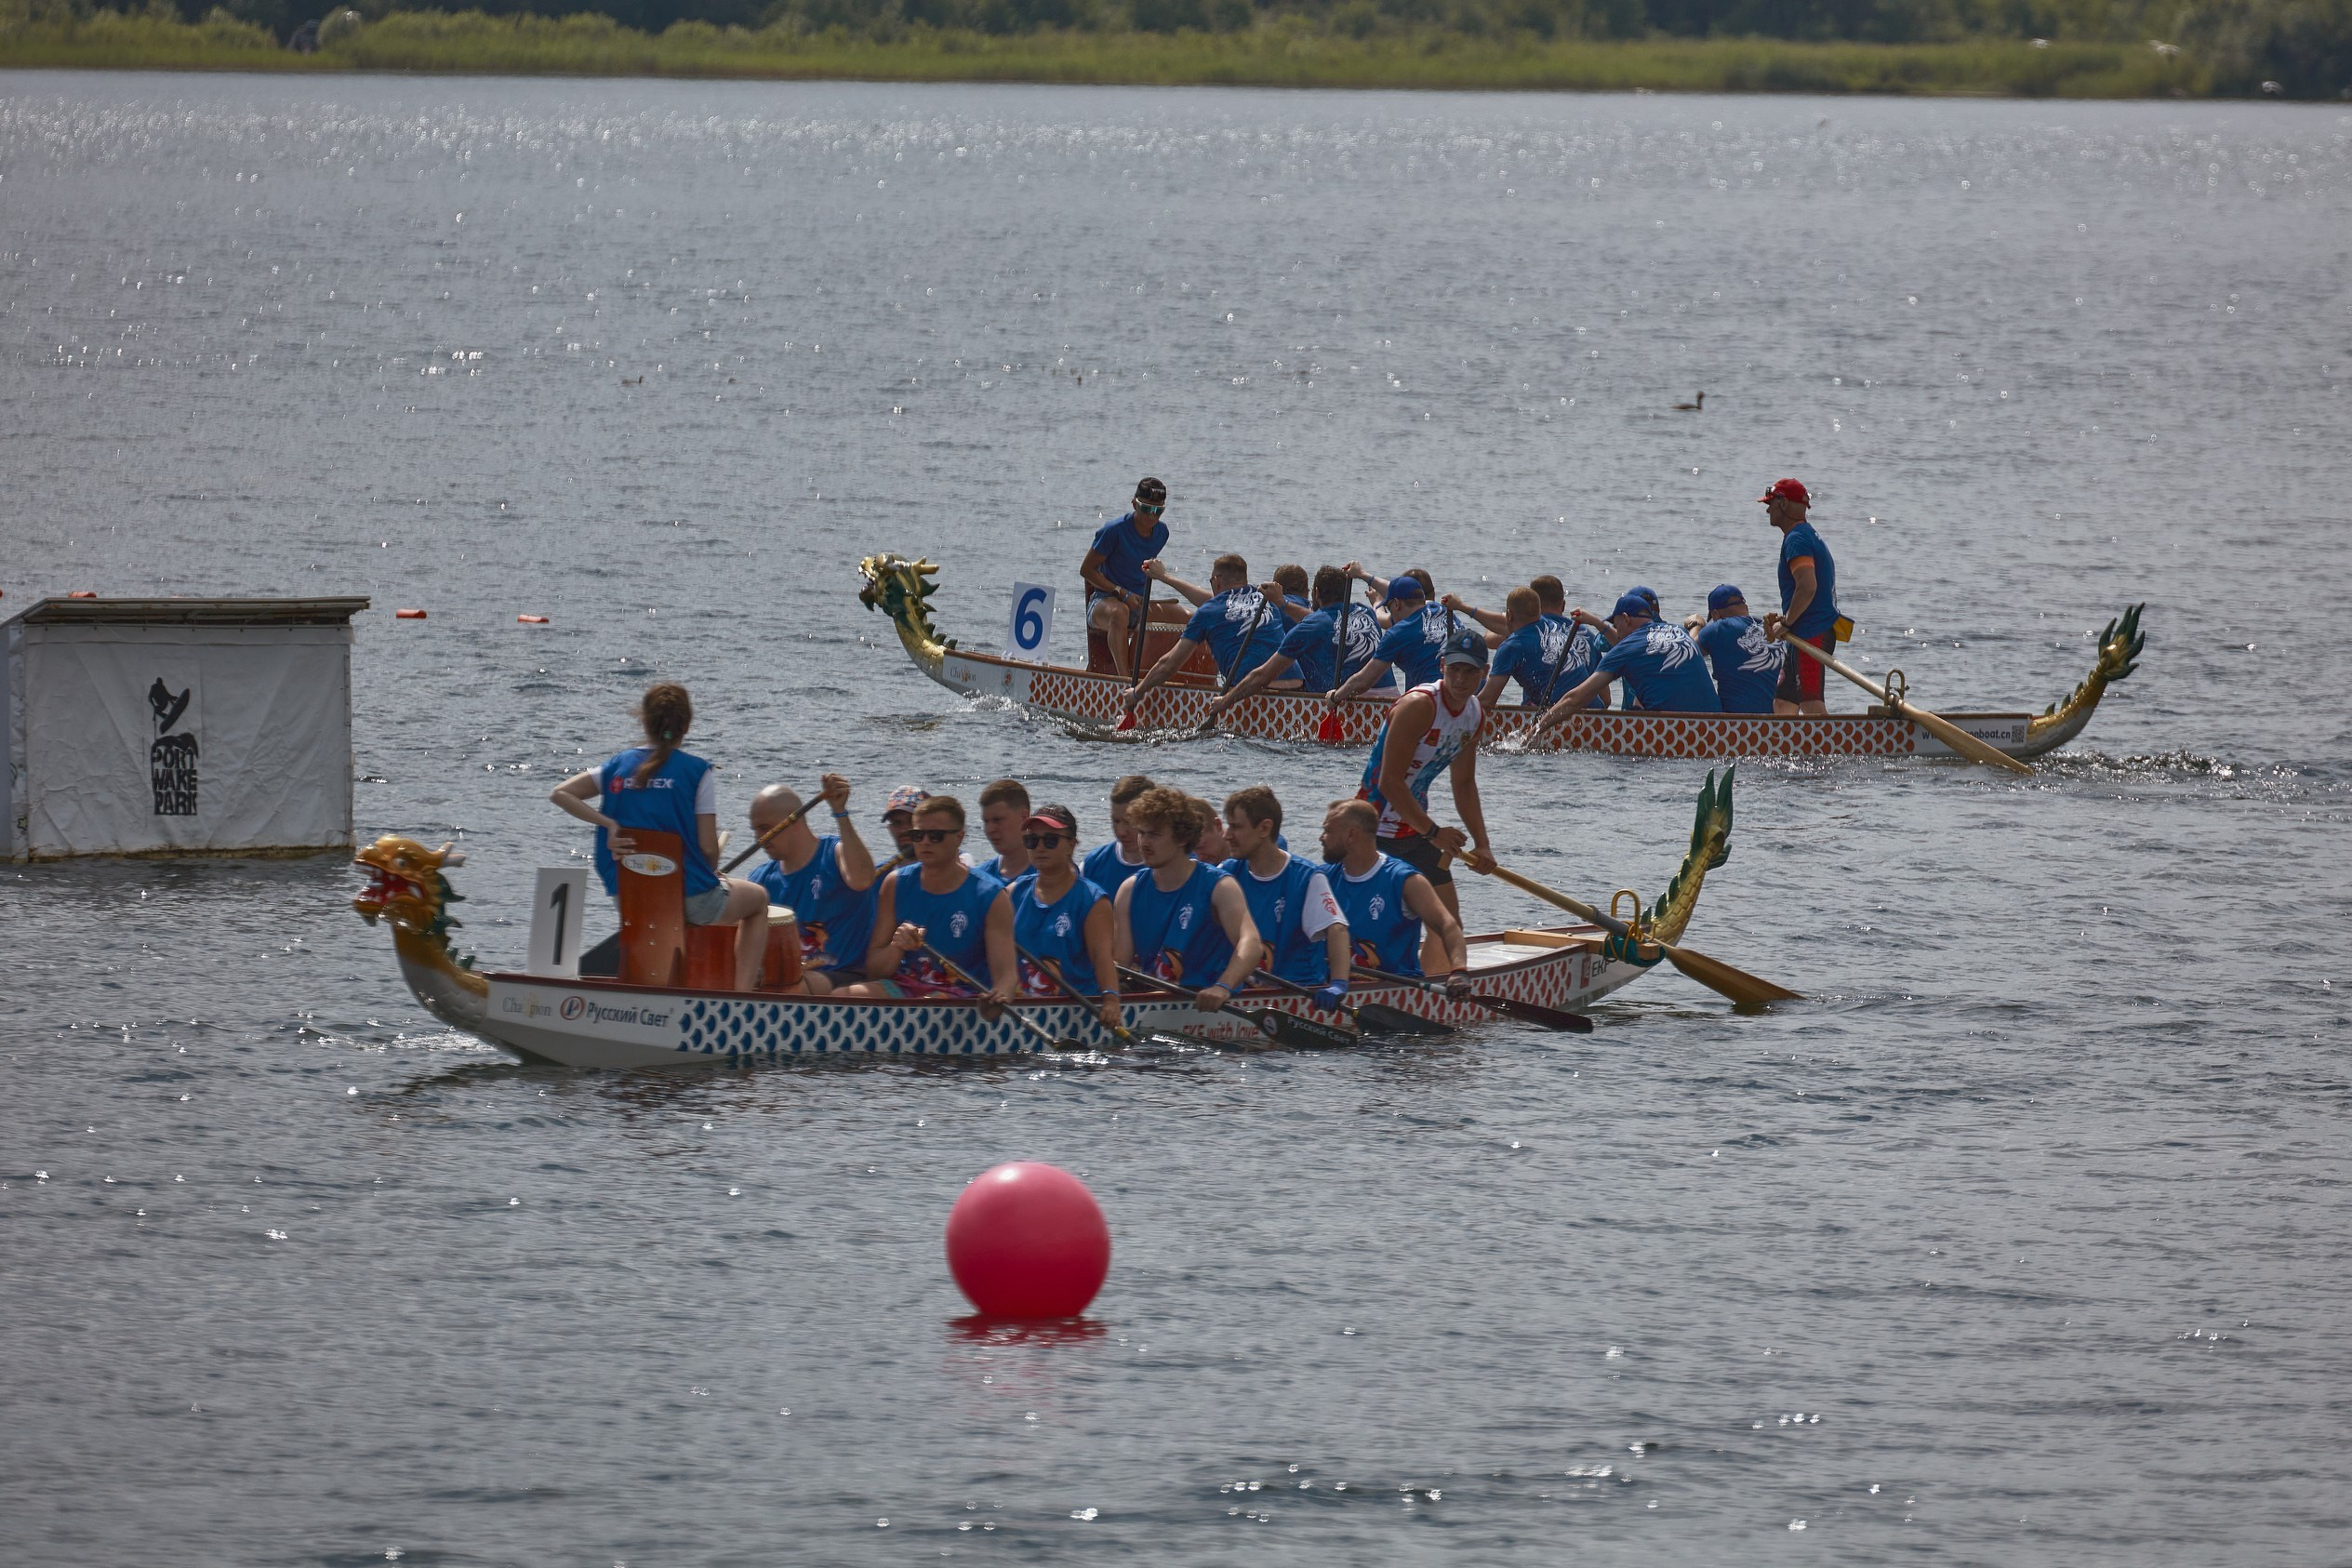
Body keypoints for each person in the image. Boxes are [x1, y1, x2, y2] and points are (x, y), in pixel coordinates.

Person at [551, 682, 769, 990]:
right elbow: (708, 847)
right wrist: (710, 872)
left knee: (670, 903)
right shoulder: (697, 772)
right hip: (691, 898)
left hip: (628, 898)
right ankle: (742, 996)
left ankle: (649, 984)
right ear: (687, 725)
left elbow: (560, 793)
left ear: (644, 721)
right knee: (758, 900)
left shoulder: (615, 767)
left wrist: (608, 823)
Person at [1358, 630, 1497, 923]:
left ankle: (1451, 969)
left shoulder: (1474, 716)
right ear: (1442, 665)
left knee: (1449, 924)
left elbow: (1464, 784)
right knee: (1378, 924)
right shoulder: (1419, 706)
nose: (1460, 679)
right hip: (1373, 829)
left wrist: (1482, 843)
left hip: (1414, 827)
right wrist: (1434, 833)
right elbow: (1390, 782)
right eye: (1455, 669)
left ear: (1484, 672)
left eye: (1470, 671)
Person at [848, 796, 1017, 1003]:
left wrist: (999, 997)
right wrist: (897, 946)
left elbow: (1006, 976)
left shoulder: (990, 895)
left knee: (928, 1001)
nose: (925, 842)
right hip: (907, 986)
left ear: (959, 838)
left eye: (936, 836)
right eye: (918, 835)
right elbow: (875, 969)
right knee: (843, 995)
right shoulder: (895, 883)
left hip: (964, 994)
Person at [1113, 786, 1264, 1011]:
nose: (1143, 843)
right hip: (1152, 998)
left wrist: (1223, 987)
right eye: (1142, 833)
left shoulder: (1220, 886)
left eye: (1154, 834)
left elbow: (1251, 944)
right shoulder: (1130, 889)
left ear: (1182, 838)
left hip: (1207, 999)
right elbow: (1120, 964)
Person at [742, 774, 880, 995]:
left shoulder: (835, 854)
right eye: (755, 830)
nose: (759, 838)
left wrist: (840, 813)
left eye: (765, 827)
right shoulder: (761, 880)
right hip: (790, 975)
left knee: (790, 987)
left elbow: (863, 879)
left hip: (844, 974)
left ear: (794, 820)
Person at [1317, 798, 1469, 990]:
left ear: (1351, 835)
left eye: (1328, 831)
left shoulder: (1405, 881)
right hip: (1333, 989)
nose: (1321, 837)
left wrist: (1459, 971)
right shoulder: (1323, 878)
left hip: (1394, 990)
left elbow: (1448, 926)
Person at [1203, 565, 1388, 718]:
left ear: (1316, 593)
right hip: (1388, 701)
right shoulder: (1366, 611)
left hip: (1346, 708)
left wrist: (1225, 701)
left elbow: (1263, 675)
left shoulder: (1310, 626)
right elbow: (1324, 623)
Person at [1221, 786, 1349, 1004]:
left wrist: (1338, 984)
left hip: (1298, 994)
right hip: (1240, 990)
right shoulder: (1227, 872)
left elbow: (1336, 929)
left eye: (1236, 827)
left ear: (1264, 828)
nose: (1227, 835)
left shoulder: (1306, 877)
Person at [1007, 803, 1123, 1032]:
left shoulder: (1092, 899)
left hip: (1075, 1009)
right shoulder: (1012, 893)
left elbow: (1102, 958)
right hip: (1021, 1006)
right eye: (1032, 841)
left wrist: (1110, 1000)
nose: (1040, 847)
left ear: (1070, 844)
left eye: (1050, 840)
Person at [1123, 553, 1284, 717]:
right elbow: (1215, 602)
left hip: (1247, 693)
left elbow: (1169, 665)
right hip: (1295, 689)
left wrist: (1137, 692)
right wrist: (1164, 577)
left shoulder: (1209, 612)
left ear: (1216, 581)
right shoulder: (1266, 599)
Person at [1536, 593, 1721, 725]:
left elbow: (1575, 699)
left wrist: (1532, 734)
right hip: (1719, 727)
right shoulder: (1679, 632)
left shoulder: (1626, 648)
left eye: (1616, 626)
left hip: (1675, 732)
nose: (1618, 634)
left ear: (1626, 619)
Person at [1758, 477, 1842, 715]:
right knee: (1783, 704)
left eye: (1770, 503)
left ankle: (1830, 750)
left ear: (1783, 504)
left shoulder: (1797, 539)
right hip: (1804, 632)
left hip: (1811, 633)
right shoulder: (1805, 535)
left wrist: (1786, 622)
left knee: (1810, 705)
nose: (1767, 509)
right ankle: (1782, 751)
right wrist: (1787, 620)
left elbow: (1807, 587)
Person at [1325, 570, 1458, 706]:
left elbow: (1363, 681)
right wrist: (1362, 575)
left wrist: (1335, 696)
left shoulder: (1398, 632)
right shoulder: (1445, 611)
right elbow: (1399, 590)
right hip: (1467, 697)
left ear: (1396, 604)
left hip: (1432, 703)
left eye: (1389, 607)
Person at [1080, 477, 1169, 677]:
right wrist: (1121, 592)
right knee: (1120, 612)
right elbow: (1086, 570)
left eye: (1158, 511)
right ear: (1134, 504)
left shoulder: (1162, 533)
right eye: (1146, 509)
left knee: (1180, 617)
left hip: (1137, 604)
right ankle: (1125, 681)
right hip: (1103, 602)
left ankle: (1152, 676)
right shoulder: (1113, 531)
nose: (1152, 516)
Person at [1686, 584, 1784, 715]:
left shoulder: (1719, 627)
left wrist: (1695, 625)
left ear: (1715, 614)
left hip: (1735, 722)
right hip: (1778, 719)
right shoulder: (1773, 630)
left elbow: (1688, 652)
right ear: (1746, 607)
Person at [1082, 774, 1156, 894]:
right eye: (1116, 821)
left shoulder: (1177, 864)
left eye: (1129, 822)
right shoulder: (1092, 864)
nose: (1121, 832)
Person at [975, 777, 1032, 881]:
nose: (990, 829)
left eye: (997, 820)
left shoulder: (1052, 876)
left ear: (1024, 818)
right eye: (986, 821)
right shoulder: (978, 879)